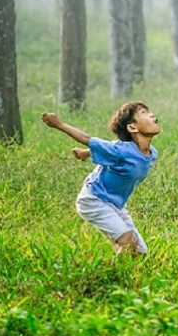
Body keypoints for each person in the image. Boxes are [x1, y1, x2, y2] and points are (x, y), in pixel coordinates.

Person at [41, 102, 161, 254]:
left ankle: (123, 272)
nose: (151, 115)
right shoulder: (121, 150)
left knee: (139, 252)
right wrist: (59, 124)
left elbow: (110, 149)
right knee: (128, 242)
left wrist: (86, 153)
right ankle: (109, 275)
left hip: (115, 205)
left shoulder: (151, 153)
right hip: (94, 199)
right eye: (144, 112)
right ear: (132, 127)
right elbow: (88, 139)